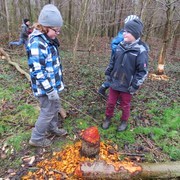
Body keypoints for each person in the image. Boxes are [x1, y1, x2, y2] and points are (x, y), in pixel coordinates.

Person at [27, 4, 67, 147]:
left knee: (55, 107)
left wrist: (55, 86)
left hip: (52, 85)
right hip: (45, 88)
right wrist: (49, 90)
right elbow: (37, 71)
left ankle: (52, 128)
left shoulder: (48, 40)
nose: (57, 33)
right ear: (45, 27)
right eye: (56, 30)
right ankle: (36, 138)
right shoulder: (37, 43)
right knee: (47, 111)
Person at [101, 19, 148, 132]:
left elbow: (142, 71)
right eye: (124, 31)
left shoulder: (140, 51)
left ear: (135, 34)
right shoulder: (120, 46)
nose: (124, 33)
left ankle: (124, 121)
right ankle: (108, 118)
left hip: (127, 85)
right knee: (111, 102)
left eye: (128, 32)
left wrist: (135, 85)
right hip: (115, 82)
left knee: (125, 105)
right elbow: (112, 61)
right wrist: (108, 72)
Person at [98, 15, 149, 98]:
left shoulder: (131, 34)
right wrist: (119, 51)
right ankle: (106, 89)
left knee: (122, 76)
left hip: (126, 57)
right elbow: (115, 43)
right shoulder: (124, 33)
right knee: (116, 75)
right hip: (119, 57)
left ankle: (113, 92)